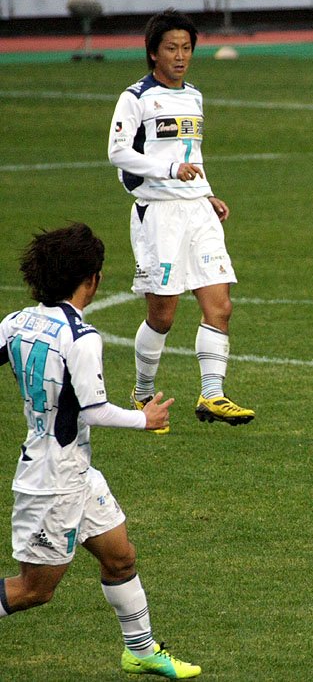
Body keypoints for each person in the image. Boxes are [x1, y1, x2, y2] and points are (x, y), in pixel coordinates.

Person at [0, 223, 200, 679]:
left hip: (74, 470)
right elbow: (94, 410)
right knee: (33, 590)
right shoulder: (82, 337)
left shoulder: (16, 322)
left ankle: (141, 651)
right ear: (91, 279)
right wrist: (145, 419)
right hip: (51, 481)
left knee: (120, 555)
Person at [108, 9, 254, 431]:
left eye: (187, 48)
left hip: (197, 212)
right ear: (153, 53)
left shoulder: (194, 97)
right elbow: (118, 153)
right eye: (171, 48)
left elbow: (192, 155)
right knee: (163, 315)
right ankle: (142, 393)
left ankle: (212, 394)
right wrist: (170, 171)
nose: (180, 56)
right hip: (158, 214)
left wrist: (206, 193)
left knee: (220, 306)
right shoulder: (135, 98)